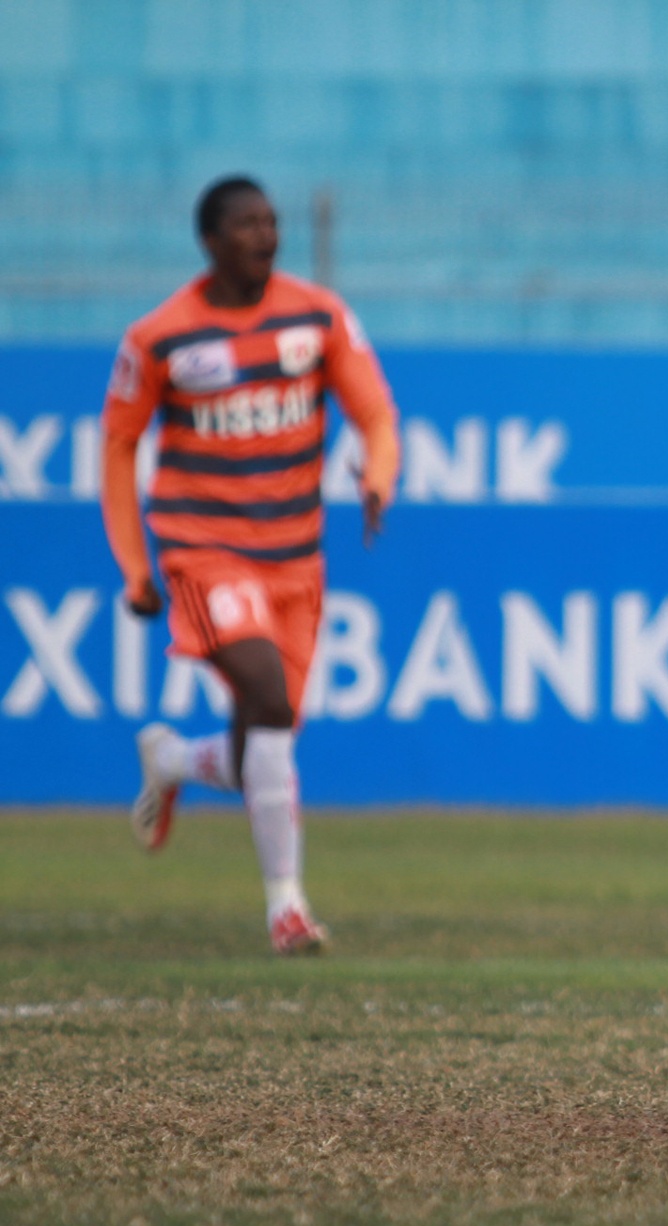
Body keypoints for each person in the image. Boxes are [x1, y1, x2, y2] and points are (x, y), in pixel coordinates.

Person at [101, 176, 401, 956]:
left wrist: (377, 475)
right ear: (210, 241)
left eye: (270, 221)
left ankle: (172, 758)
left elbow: (374, 409)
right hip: (204, 550)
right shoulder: (160, 336)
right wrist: (135, 565)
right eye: (246, 224)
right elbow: (118, 445)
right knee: (267, 698)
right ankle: (286, 909)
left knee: (265, 744)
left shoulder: (318, 315)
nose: (265, 234)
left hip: (295, 560)